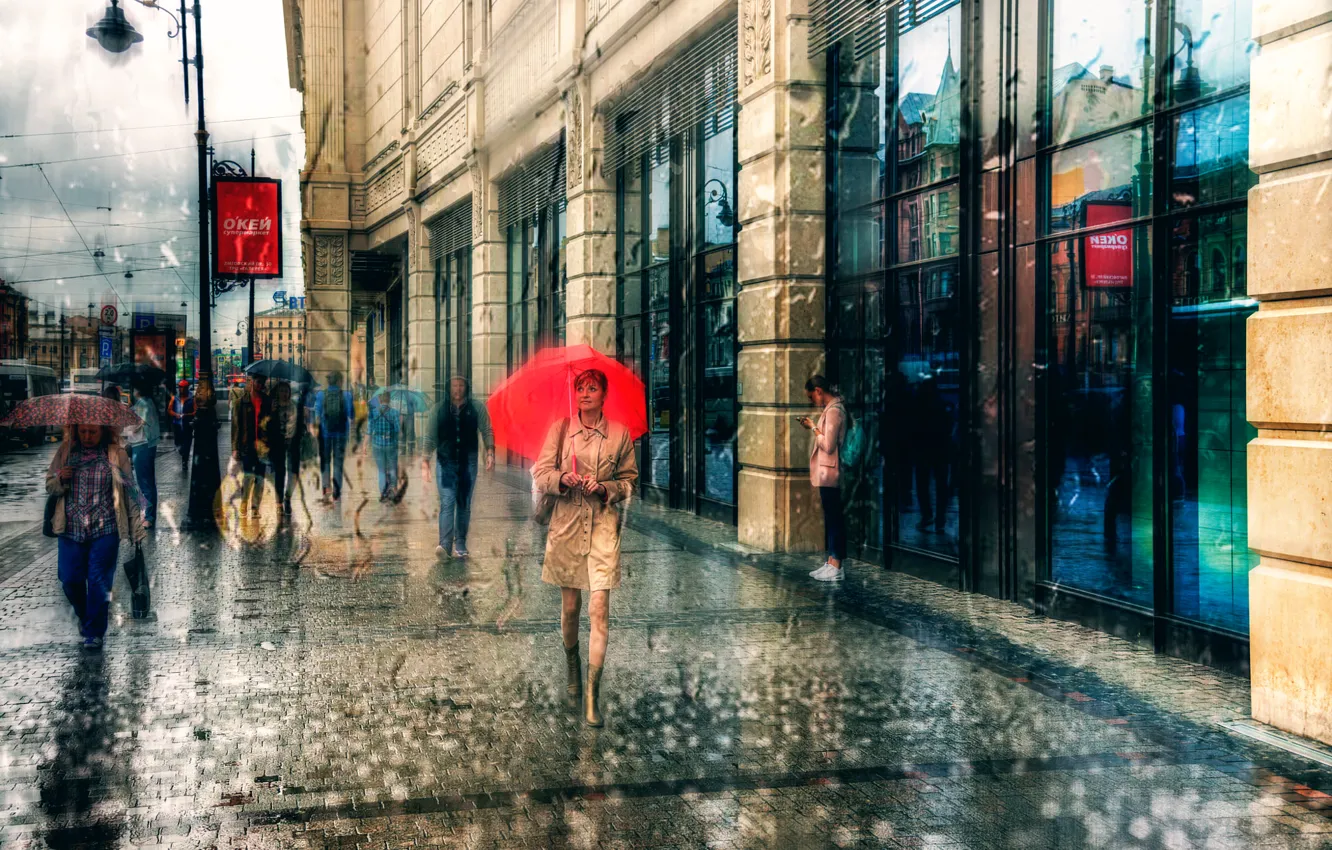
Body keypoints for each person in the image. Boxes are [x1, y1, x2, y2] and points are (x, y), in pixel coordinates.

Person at [531, 369, 638, 727]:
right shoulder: (561, 431)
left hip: (604, 528)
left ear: (604, 394)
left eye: (593, 388)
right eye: (581, 388)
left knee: (599, 609)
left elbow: (629, 482)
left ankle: (592, 694)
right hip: (566, 526)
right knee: (571, 608)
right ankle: (571, 668)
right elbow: (540, 473)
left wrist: (605, 488)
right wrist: (562, 478)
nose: (586, 393)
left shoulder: (620, 434)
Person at [46, 423, 147, 650]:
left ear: (103, 431)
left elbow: (131, 492)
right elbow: (49, 484)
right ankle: (86, 618)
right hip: (71, 530)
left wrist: (137, 528)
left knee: (99, 582)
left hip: (105, 530)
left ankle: (94, 632)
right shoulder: (66, 452)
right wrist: (60, 479)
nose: (87, 436)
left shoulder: (116, 454)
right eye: (83, 431)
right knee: (70, 580)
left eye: (92, 432)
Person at [423, 376, 495, 559]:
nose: (457, 388)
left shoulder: (477, 408)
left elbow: (487, 430)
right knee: (447, 502)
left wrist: (490, 452)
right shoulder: (438, 409)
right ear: (449, 387)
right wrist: (425, 461)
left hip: (468, 462)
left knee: (463, 503)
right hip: (445, 462)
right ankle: (445, 545)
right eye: (454, 385)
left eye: (461, 385)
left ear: (466, 387)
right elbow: (430, 436)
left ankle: (460, 542)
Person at [799, 375, 847, 582]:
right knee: (831, 516)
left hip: (831, 471)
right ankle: (830, 561)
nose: (813, 402)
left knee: (834, 517)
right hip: (828, 471)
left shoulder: (835, 410)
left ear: (819, 390)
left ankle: (836, 565)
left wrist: (812, 427)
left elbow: (828, 445)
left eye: (812, 397)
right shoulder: (830, 409)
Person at [231, 373, 270, 517]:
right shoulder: (241, 402)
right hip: (247, 445)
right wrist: (235, 448)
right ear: (252, 382)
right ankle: (244, 502)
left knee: (260, 477)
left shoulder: (267, 401)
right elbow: (236, 427)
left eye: (262, 383)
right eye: (258, 382)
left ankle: (255, 508)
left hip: (263, 446)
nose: (260, 385)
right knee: (248, 476)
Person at [125, 383, 161, 528]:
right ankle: (149, 515)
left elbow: (133, 427)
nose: (133, 391)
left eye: (134, 388)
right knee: (149, 482)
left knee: (144, 482)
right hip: (147, 445)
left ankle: (148, 516)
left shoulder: (143, 404)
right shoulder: (148, 402)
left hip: (141, 445)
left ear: (138, 390)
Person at [315, 371, 354, 501]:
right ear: (339, 381)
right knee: (338, 462)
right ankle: (337, 490)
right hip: (341, 433)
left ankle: (326, 487)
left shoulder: (321, 395)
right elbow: (351, 414)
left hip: (325, 434)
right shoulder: (347, 395)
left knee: (325, 461)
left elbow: (317, 414)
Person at [267, 381, 301, 517]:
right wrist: (272, 412)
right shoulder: (273, 406)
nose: (284, 393)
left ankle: (288, 498)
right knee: (280, 473)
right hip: (278, 443)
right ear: (277, 392)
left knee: (294, 473)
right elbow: (268, 425)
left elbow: (300, 424)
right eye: (281, 390)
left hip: (293, 443)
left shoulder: (295, 406)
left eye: (286, 390)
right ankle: (279, 503)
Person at [368, 389, 401, 502]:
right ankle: (394, 491)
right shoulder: (395, 413)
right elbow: (398, 430)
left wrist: (364, 445)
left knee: (381, 470)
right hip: (391, 444)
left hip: (377, 444)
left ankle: (383, 494)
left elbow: (369, 430)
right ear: (389, 399)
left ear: (379, 399)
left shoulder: (373, 412)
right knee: (392, 469)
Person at [169, 380, 196, 472]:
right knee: (178, 442)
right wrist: (175, 414)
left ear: (187, 388)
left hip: (187, 424)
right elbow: (169, 409)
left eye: (184, 387)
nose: (182, 389)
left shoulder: (192, 398)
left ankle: (185, 461)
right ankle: (182, 452)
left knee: (187, 443)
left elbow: (195, 411)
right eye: (180, 387)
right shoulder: (174, 398)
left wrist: (187, 415)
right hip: (177, 424)